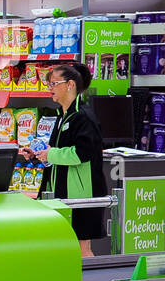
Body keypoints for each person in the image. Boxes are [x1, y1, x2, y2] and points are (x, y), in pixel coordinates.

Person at [23, 62, 108, 257]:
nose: (49, 89)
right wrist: (39, 154)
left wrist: (50, 153)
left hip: (81, 195)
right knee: (66, 249)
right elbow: (57, 151)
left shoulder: (83, 117)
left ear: (70, 85)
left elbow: (82, 153)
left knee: (82, 250)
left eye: (53, 84)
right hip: (62, 193)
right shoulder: (63, 116)